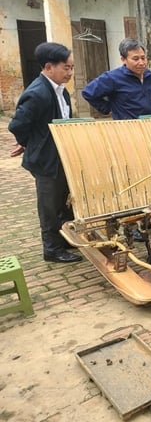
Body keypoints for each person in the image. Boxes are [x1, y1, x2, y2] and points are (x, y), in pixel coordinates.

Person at [8, 42, 82, 263]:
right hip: (46, 160)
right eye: (66, 68)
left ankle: (66, 239)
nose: (70, 72)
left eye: (71, 67)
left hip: (61, 157)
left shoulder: (60, 91)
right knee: (49, 205)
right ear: (49, 67)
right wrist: (29, 143)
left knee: (64, 201)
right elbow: (17, 125)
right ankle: (51, 249)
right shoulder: (38, 93)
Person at [82, 38, 151, 120]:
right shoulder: (112, 78)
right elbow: (88, 93)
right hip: (126, 128)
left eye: (143, 58)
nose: (141, 63)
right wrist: (109, 109)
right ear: (123, 59)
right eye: (135, 59)